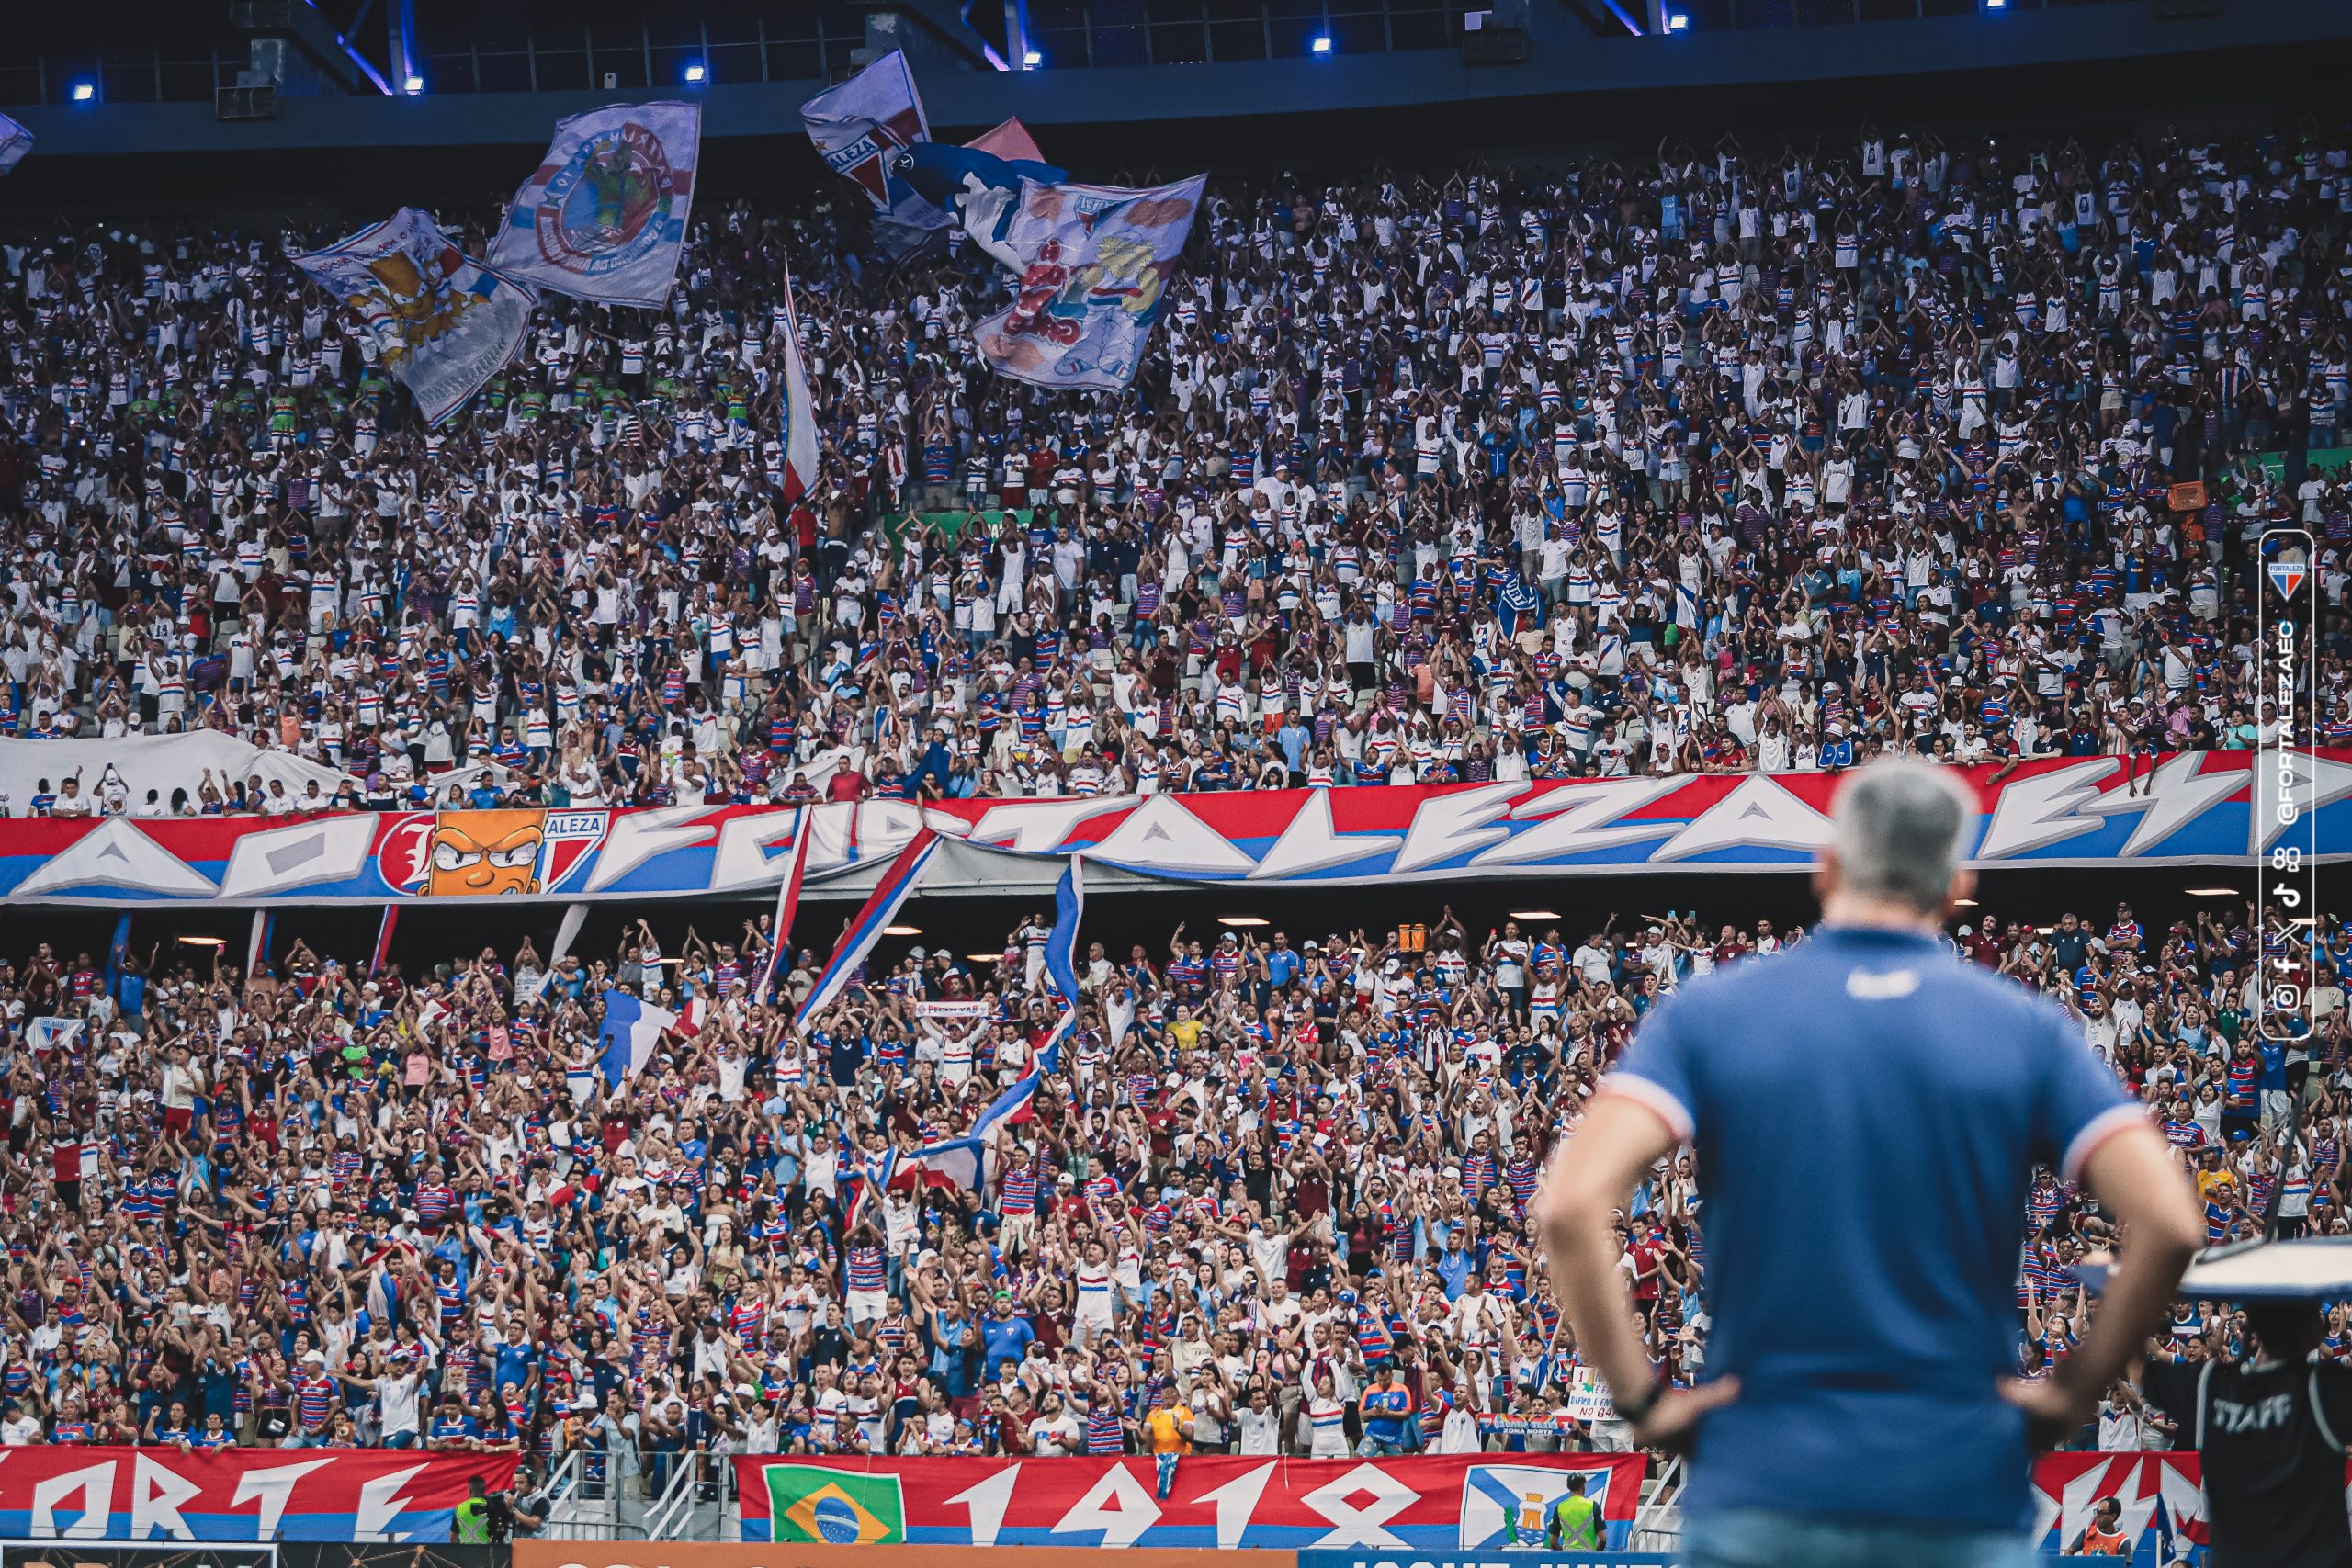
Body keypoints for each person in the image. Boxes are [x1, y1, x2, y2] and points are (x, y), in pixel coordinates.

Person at [1536, 757, 2205, 1568]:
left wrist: (1643, 1401)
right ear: (1958, 882)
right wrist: (2070, 1394)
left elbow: (1570, 1206)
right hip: (1958, 1489)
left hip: (1761, 1486)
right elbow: (2169, 1222)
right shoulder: (2025, 1030)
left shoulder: (1712, 1013)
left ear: (1826, 869)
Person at [2133, 1293, 2352, 1568]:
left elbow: (2137, 1370)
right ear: (2310, 1331)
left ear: (2253, 1331)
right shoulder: (2327, 1387)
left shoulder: (2211, 1384)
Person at [1546, 1472, 1603, 1551]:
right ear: (1584, 1486)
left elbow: (1552, 1542)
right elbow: (1603, 1539)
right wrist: (1596, 1551)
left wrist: (1562, 1551)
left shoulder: (1560, 1507)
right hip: (1590, 1558)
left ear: (1568, 1486)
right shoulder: (1593, 1506)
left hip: (1567, 1557)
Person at [2064, 1496, 2131, 1557]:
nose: (2097, 1516)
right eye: (2097, 1512)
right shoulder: (2088, 1531)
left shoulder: (2122, 1541)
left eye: (2102, 1513)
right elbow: (2069, 1551)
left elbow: (2123, 1564)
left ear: (2112, 1516)